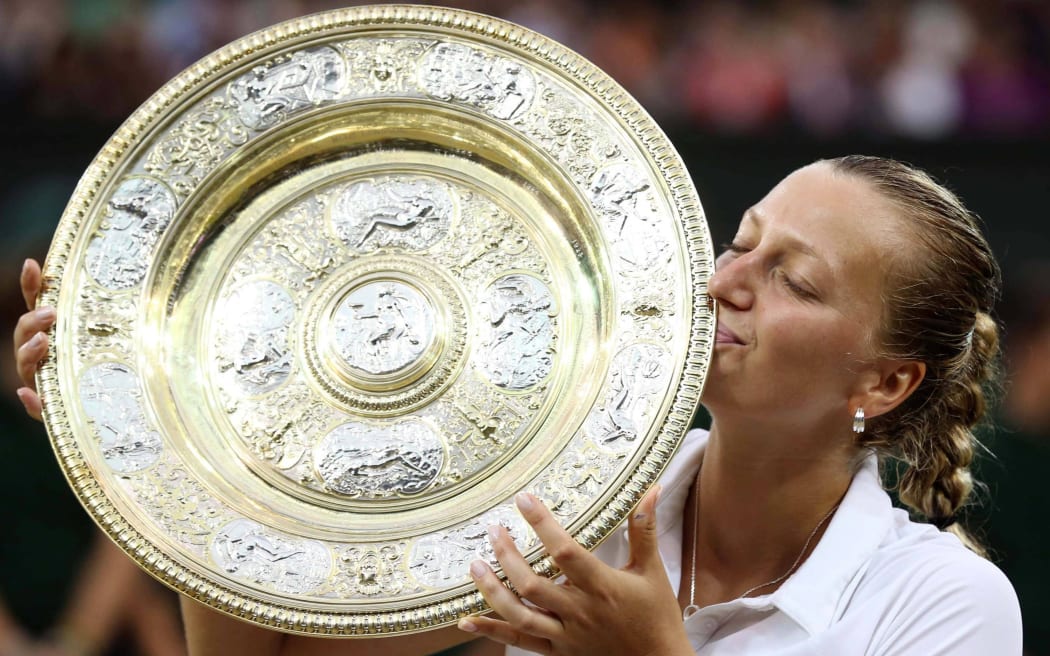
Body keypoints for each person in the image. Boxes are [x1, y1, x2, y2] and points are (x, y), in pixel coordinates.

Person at [13, 155, 1022, 655]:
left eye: (793, 279)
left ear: (885, 382)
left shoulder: (945, 604)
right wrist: (171, 425)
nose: (726, 281)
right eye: (742, 242)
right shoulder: (571, 490)